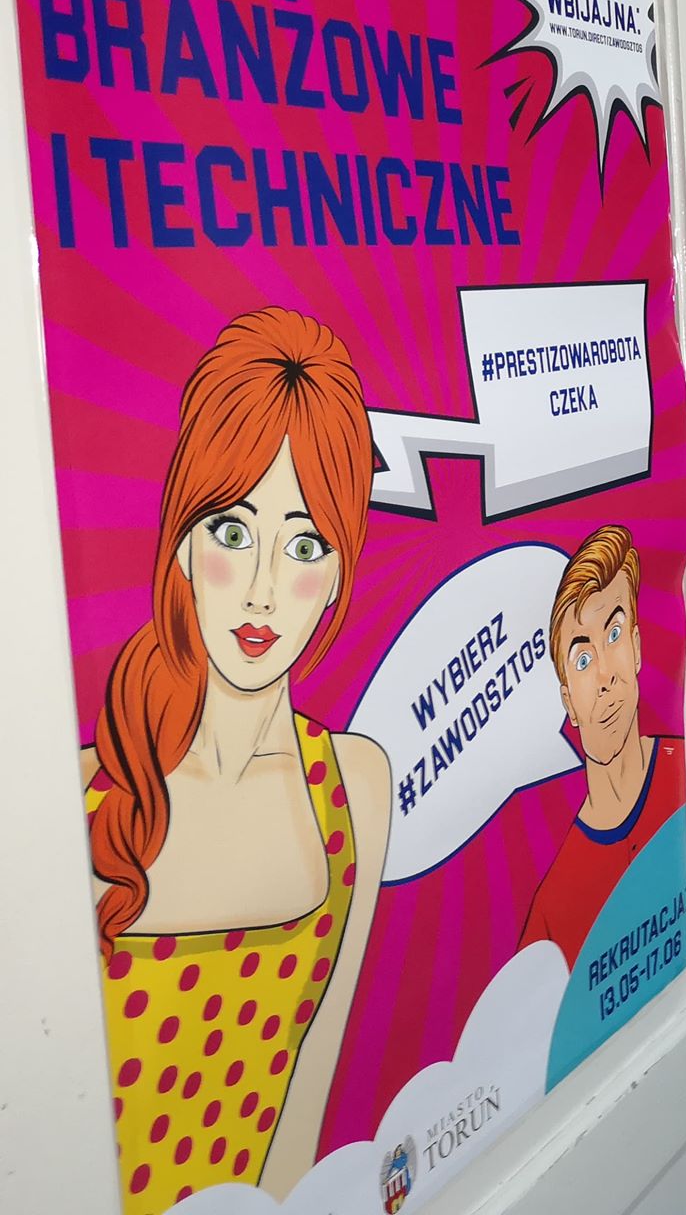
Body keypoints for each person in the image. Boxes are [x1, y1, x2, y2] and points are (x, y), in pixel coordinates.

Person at [80, 308, 391, 1206]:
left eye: (304, 546)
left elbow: (300, 1127)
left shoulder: (355, 789)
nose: (262, 589)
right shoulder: (84, 796)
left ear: (338, 576)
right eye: (231, 531)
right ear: (181, 539)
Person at [522, 524, 686, 962]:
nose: (605, 676)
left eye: (613, 635)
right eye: (582, 658)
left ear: (636, 646)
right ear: (568, 702)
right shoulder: (551, 908)